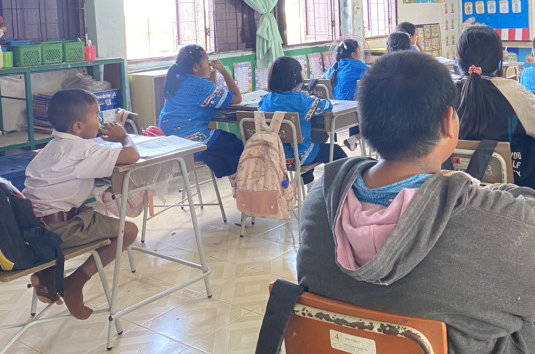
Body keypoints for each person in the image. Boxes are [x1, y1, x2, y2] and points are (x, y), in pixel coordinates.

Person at [297, 51, 535, 354]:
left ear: (364, 122)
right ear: (447, 124)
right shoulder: (484, 218)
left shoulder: (321, 199)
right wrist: (509, 192)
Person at [23, 89, 140, 320]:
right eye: (96, 115)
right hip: (59, 228)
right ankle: (74, 283)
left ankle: (47, 271)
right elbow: (131, 156)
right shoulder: (84, 150)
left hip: (32, 226)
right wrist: (124, 137)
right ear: (78, 127)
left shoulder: (49, 147)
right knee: (129, 231)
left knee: (87, 213)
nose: (100, 120)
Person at [455, 25, 535, 192]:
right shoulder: (513, 92)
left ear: (459, 59)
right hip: (515, 192)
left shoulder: (446, 93)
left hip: (461, 190)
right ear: (499, 60)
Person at [159, 45, 243, 180]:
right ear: (195, 67)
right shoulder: (202, 86)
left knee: (223, 144)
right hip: (190, 140)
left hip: (171, 140)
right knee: (234, 144)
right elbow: (237, 98)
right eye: (207, 60)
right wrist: (223, 70)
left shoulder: (175, 80)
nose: (209, 64)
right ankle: (239, 182)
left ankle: (233, 178)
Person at [260, 57, 347, 184]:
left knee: (309, 141)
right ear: (295, 78)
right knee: (335, 150)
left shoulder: (267, 99)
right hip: (300, 157)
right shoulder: (301, 100)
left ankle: (310, 184)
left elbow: (262, 105)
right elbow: (326, 105)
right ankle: (346, 186)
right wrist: (311, 98)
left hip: (275, 156)